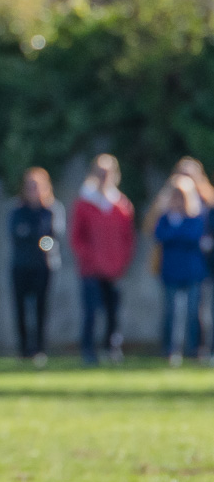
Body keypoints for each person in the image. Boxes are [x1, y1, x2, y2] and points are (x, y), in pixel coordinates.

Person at [70, 153, 135, 365]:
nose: (103, 177)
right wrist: (90, 258)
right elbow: (76, 238)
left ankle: (112, 349)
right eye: (100, 172)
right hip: (91, 269)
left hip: (114, 269)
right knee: (90, 312)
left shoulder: (121, 205)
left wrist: (121, 261)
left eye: (107, 173)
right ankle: (88, 350)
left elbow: (127, 238)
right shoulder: (84, 203)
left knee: (113, 314)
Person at [9, 168, 65, 364]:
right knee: (21, 309)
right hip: (21, 266)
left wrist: (37, 239)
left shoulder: (51, 210)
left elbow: (51, 239)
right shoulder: (18, 210)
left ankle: (40, 349)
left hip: (43, 266)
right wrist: (38, 239)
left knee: (41, 309)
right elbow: (17, 235)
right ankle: (23, 349)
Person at [154, 174, 206, 364]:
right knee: (170, 313)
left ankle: (194, 349)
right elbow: (160, 236)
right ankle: (169, 349)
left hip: (192, 271)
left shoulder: (196, 217)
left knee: (193, 313)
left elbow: (193, 237)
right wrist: (177, 232)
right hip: (170, 270)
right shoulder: (165, 218)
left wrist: (175, 234)